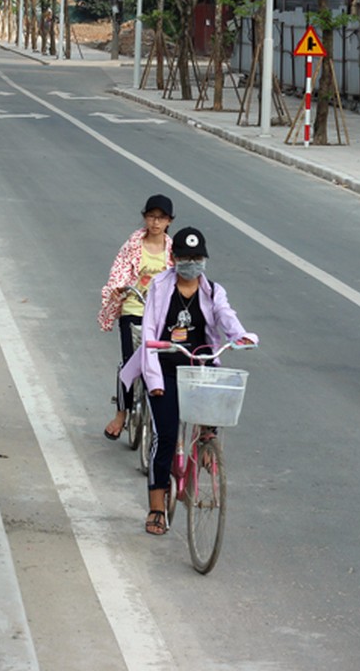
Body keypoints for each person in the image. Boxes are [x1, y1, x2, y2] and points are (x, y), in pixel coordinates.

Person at [121, 227, 257, 536]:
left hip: (200, 368)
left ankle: (206, 453)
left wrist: (240, 335)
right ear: (174, 259)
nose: (190, 263)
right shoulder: (160, 287)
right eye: (184, 257)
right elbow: (151, 331)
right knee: (166, 437)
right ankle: (156, 506)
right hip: (165, 367)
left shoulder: (212, 291)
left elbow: (225, 315)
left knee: (212, 419)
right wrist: (154, 378)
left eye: (196, 258)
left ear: (204, 260)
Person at [98, 195, 175, 441]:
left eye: (161, 218)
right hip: (134, 308)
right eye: (152, 216)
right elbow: (119, 269)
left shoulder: (173, 250)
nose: (156, 222)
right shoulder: (133, 245)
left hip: (162, 314)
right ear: (145, 217)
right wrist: (120, 287)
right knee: (129, 362)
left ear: (169, 221)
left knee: (164, 363)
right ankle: (121, 414)